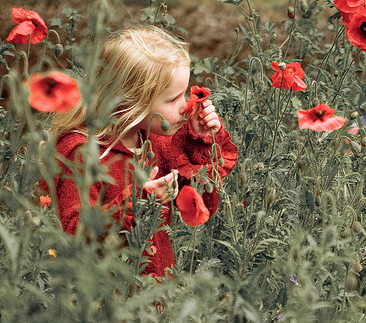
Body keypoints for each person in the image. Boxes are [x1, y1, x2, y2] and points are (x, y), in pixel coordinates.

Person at [43, 26, 238, 278]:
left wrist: (201, 142)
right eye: (172, 99)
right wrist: (137, 202)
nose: (186, 106)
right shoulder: (83, 153)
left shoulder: (154, 141)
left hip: (157, 294)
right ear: (129, 102)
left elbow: (202, 207)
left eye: (185, 94)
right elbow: (73, 234)